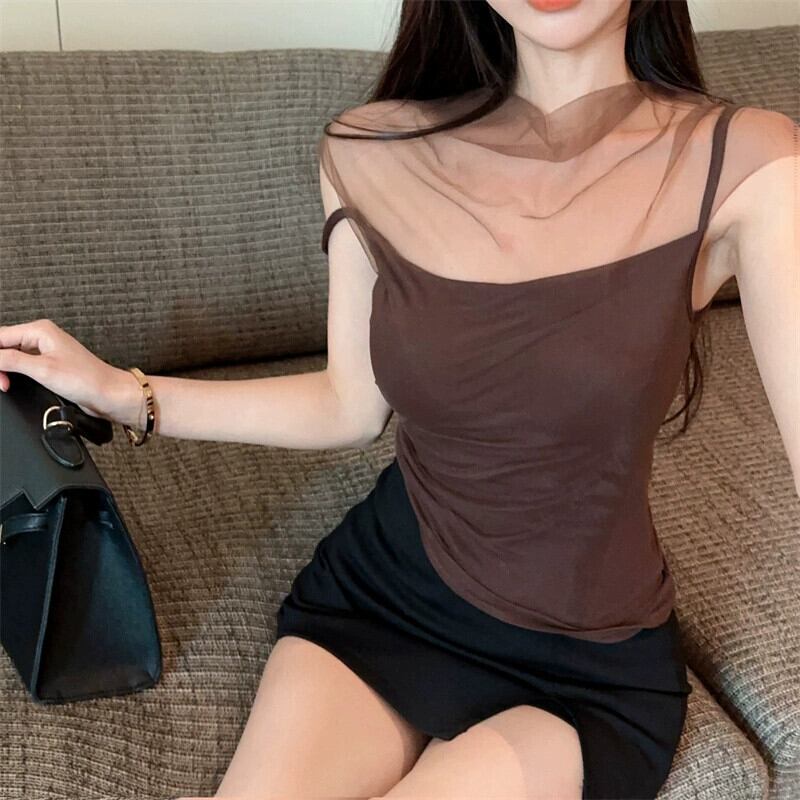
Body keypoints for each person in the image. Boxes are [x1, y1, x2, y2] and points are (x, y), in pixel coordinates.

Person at [0, 1, 796, 798]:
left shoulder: (749, 164)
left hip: (585, 668)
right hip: (387, 599)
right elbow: (349, 405)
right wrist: (122, 392)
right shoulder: (373, 150)